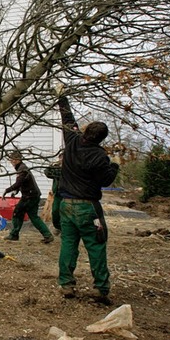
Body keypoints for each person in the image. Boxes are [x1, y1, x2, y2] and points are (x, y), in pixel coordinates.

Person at [56, 91, 119, 304]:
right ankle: (101, 288)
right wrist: (115, 165)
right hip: (87, 208)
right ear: (101, 138)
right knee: (96, 245)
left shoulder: (72, 140)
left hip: (66, 204)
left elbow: (67, 117)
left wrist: (61, 96)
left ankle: (66, 284)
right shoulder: (100, 156)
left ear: (85, 130)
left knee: (68, 244)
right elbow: (106, 180)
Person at [3, 152, 54, 243]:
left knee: (17, 213)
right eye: (11, 159)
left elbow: (18, 183)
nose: (11, 161)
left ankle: (14, 234)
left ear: (18, 159)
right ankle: (47, 235)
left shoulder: (22, 169)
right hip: (33, 195)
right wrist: (16, 191)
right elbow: (22, 183)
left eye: (13, 159)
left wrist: (8, 190)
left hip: (29, 196)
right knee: (34, 217)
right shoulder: (22, 167)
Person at [44, 152, 63, 234]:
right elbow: (47, 172)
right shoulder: (57, 167)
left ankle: (65, 230)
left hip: (67, 194)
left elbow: (59, 174)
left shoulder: (68, 169)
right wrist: (52, 165)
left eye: (63, 158)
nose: (61, 160)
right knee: (55, 212)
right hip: (58, 194)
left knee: (65, 213)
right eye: (60, 158)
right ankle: (58, 227)